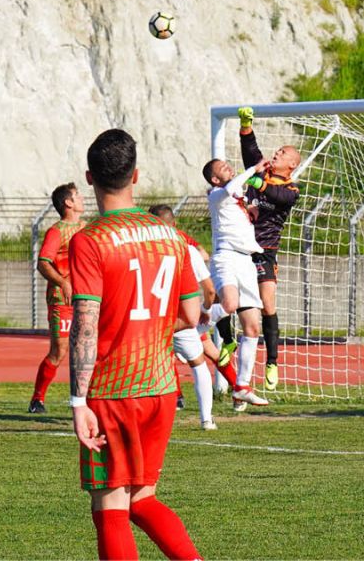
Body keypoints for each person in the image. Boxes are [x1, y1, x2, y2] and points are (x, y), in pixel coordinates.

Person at [69, 129, 201, 560]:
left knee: (109, 506)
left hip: (113, 388)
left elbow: (86, 324)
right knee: (141, 498)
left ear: (90, 178)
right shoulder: (169, 235)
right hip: (161, 384)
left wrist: (77, 400)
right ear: (136, 175)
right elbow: (191, 315)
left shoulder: (90, 240)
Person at [149, 204, 239, 430]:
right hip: (179, 320)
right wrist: (207, 311)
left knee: (147, 365)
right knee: (198, 363)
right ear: (174, 225)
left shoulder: (142, 248)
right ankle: (207, 419)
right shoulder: (186, 249)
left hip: (148, 318)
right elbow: (209, 290)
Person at [232, 106, 301, 390]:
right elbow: (251, 150)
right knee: (226, 297)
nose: (277, 154)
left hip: (265, 250)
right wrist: (246, 126)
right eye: (277, 151)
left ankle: (272, 361)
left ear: (292, 164)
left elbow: (274, 193)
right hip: (240, 247)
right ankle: (226, 342)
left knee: (268, 306)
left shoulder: (291, 190)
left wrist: (253, 179)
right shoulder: (262, 168)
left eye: (283, 153)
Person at [201, 157, 270, 411]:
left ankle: (241, 387)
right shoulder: (217, 194)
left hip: (246, 262)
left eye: (229, 164)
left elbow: (240, 194)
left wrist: (252, 208)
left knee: (252, 328)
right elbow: (232, 188)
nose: (229, 168)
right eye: (223, 169)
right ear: (215, 179)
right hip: (226, 257)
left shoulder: (238, 200)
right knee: (229, 304)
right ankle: (196, 324)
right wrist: (254, 169)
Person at [29, 183, 86, 414]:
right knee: (60, 351)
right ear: (68, 203)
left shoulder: (87, 228)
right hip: (61, 301)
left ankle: (87, 399)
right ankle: (37, 399)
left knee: (90, 349)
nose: (82, 198)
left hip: (85, 299)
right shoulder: (57, 231)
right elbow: (43, 263)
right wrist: (63, 282)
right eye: (78, 196)